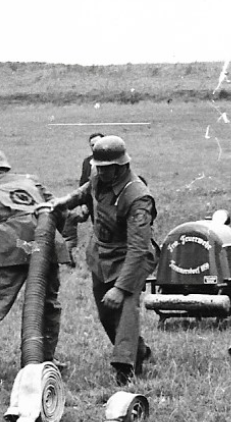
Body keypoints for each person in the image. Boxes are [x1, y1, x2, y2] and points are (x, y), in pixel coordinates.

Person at [50, 136, 156, 385]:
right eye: (98, 166)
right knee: (106, 313)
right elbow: (88, 188)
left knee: (126, 308)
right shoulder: (100, 176)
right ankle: (138, 350)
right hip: (101, 254)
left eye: (105, 167)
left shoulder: (138, 196)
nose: (99, 170)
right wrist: (66, 201)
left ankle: (125, 367)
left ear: (120, 166)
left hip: (131, 259)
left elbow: (138, 248)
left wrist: (121, 287)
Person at [0, 149, 69, 382]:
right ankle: (46, 359)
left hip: (10, 248)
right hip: (47, 242)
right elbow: (59, 209)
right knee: (48, 304)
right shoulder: (32, 181)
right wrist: (49, 235)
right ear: (5, 167)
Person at [62, 132, 104, 252]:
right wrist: (84, 204)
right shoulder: (87, 162)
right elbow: (83, 182)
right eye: (92, 145)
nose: (95, 147)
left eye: (98, 144)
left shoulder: (114, 161)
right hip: (92, 202)